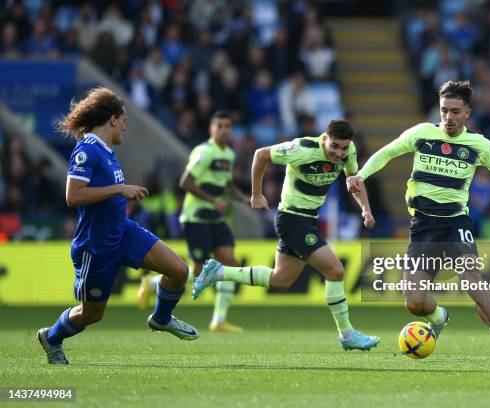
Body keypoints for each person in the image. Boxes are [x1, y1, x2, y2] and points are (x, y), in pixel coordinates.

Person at [347, 80, 490, 362]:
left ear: (468, 112)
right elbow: (388, 151)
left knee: (473, 281)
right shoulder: (422, 133)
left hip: (455, 223)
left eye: (455, 112)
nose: (449, 117)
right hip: (423, 226)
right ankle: (439, 316)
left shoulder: (479, 144)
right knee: (414, 302)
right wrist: (362, 174)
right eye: (444, 110)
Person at [37, 87, 199, 365]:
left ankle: (161, 319)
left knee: (179, 270)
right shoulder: (87, 150)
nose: (125, 126)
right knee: (92, 314)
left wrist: (119, 194)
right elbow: (73, 196)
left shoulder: (107, 151)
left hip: (123, 232)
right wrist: (118, 190)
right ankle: (51, 337)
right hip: (96, 245)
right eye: (123, 120)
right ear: (112, 119)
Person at [192, 119, 380, 350]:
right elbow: (261, 155)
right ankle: (347, 333)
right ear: (324, 139)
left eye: (343, 147)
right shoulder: (302, 149)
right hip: (293, 219)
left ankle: (219, 272)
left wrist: (366, 209)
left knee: (281, 279)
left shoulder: (348, 151)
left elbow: (354, 182)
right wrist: (256, 194)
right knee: (335, 270)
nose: (339, 153)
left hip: (308, 219)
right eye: (334, 146)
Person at [137, 110, 249, 332]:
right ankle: (151, 283)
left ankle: (218, 320)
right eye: (220, 126)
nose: (224, 130)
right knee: (199, 271)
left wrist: (247, 198)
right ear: (211, 129)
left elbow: (227, 186)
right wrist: (213, 201)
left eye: (228, 126)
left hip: (216, 218)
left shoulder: (228, 154)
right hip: (196, 217)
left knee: (231, 264)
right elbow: (185, 182)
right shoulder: (204, 151)